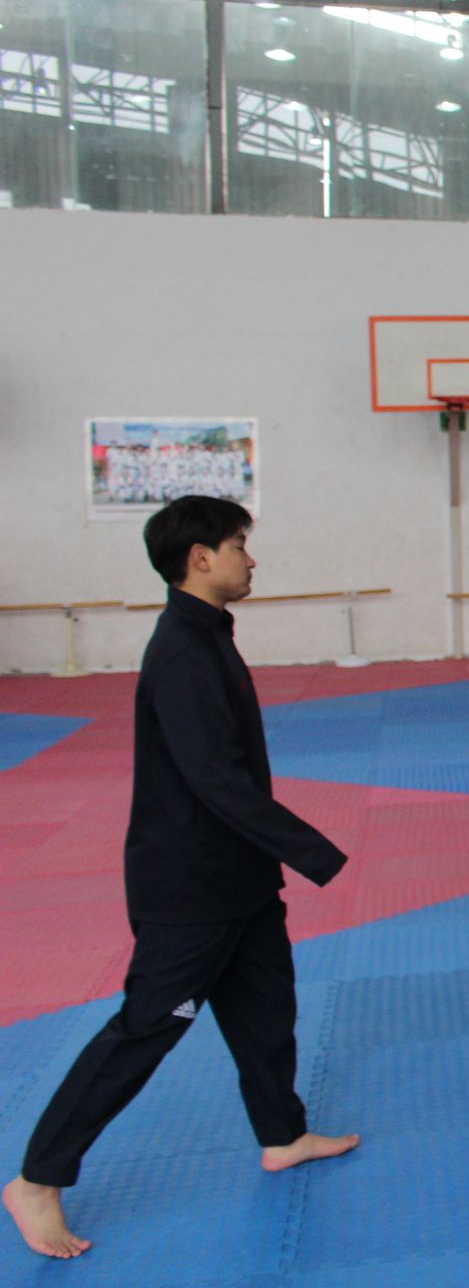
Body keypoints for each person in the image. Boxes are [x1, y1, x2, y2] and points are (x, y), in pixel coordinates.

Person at [5, 498, 356, 1261]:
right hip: (190, 889)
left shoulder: (209, 636)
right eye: (238, 545)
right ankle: (37, 1177)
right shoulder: (183, 653)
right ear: (200, 557)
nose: (250, 558)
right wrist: (315, 852)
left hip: (239, 877)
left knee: (266, 1008)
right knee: (147, 1029)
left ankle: (283, 1133)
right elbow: (213, 778)